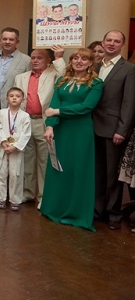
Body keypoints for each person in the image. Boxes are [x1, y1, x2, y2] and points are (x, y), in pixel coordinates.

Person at [42, 48, 103, 231]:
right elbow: (54, 103)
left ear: (90, 62)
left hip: (80, 131)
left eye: (84, 59)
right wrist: (51, 125)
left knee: (78, 170)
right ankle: (55, 208)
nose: (79, 61)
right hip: (60, 130)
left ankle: (76, 212)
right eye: (75, 58)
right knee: (59, 168)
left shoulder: (96, 83)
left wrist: (58, 112)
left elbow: (87, 107)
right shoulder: (62, 80)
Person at [92, 30, 135, 230]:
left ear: (122, 45)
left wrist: (122, 130)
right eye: (108, 40)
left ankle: (114, 214)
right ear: (103, 41)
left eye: (116, 41)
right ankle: (98, 210)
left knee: (112, 176)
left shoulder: (129, 69)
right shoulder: (96, 66)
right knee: (98, 173)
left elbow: (129, 102)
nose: (111, 44)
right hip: (93, 126)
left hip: (114, 130)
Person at [13, 47, 66, 206]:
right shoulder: (20, 77)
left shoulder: (54, 75)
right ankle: (28, 192)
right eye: (33, 57)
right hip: (25, 121)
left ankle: (42, 196)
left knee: (44, 161)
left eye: (40, 58)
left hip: (43, 122)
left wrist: (59, 57)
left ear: (48, 60)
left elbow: (64, 76)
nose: (35, 60)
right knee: (27, 159)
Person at [0, 87, 32, 211]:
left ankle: (15, 200)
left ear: (23, 99)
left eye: (17, 96)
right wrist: (4, 142)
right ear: (7, 98)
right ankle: (1, 198)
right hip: (4, 147)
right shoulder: (2, 113)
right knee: (1, 173)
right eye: (11, 96)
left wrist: (15, 146)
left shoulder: (25, 116)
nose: (14, 98)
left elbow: (26, 134)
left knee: (16, 174)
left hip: (16, 149)